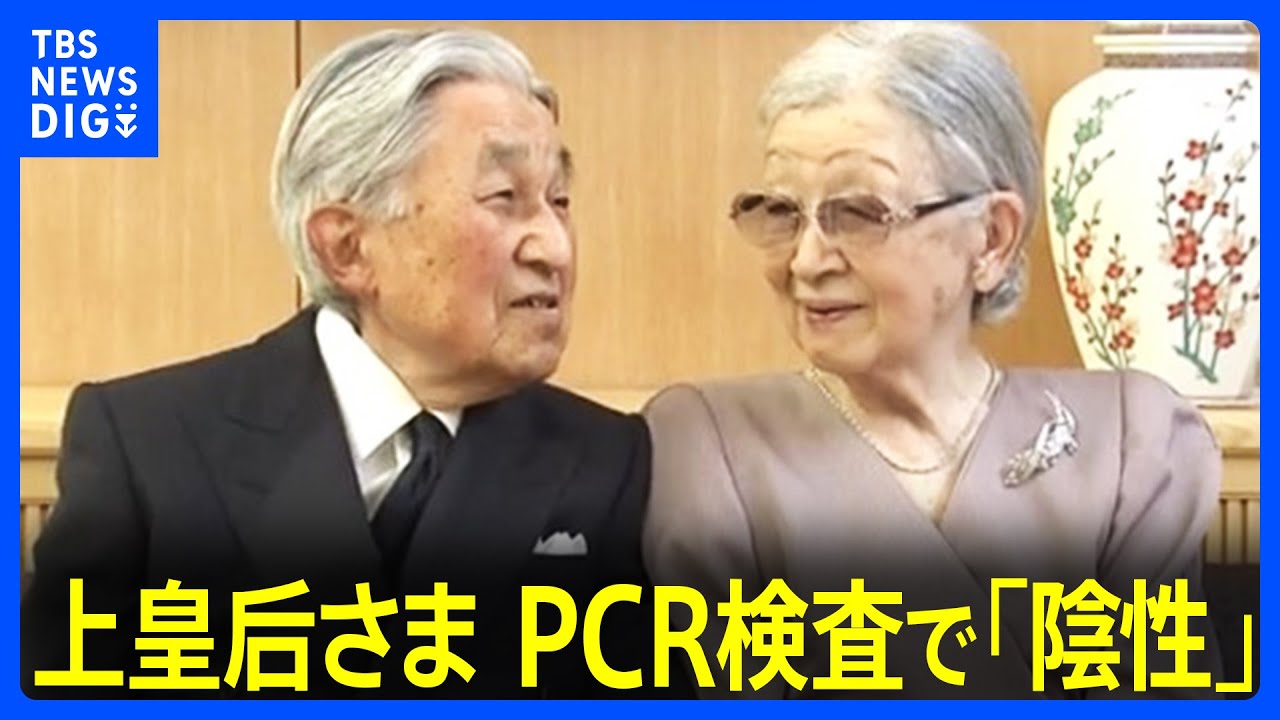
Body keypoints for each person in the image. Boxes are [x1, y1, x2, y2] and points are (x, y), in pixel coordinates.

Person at [23, 27, 662, 699]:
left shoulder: (606, 459)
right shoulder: (148, 442)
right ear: (347, 248)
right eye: (503, 197)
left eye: (559, 200)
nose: (555, 248)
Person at [642, 21, 1224, 698]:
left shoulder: (1131, 440)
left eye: (859, 212)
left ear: (992, 238)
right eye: (780, 211)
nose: (806, 260)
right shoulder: (707, 445)